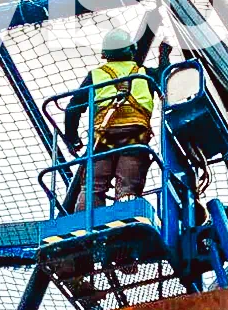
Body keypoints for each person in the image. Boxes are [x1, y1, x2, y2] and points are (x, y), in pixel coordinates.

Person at [62, 28, 172, 210]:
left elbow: (73, 109)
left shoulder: (96, 75)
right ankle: (126, 215)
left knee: (93, 186)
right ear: (132, 49)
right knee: (129, 182)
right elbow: (166, 78)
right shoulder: (144, 73)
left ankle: (85, 219)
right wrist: (164, 53)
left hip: (104, 135)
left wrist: (73, 139)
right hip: (135, 133)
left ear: (105, 54)